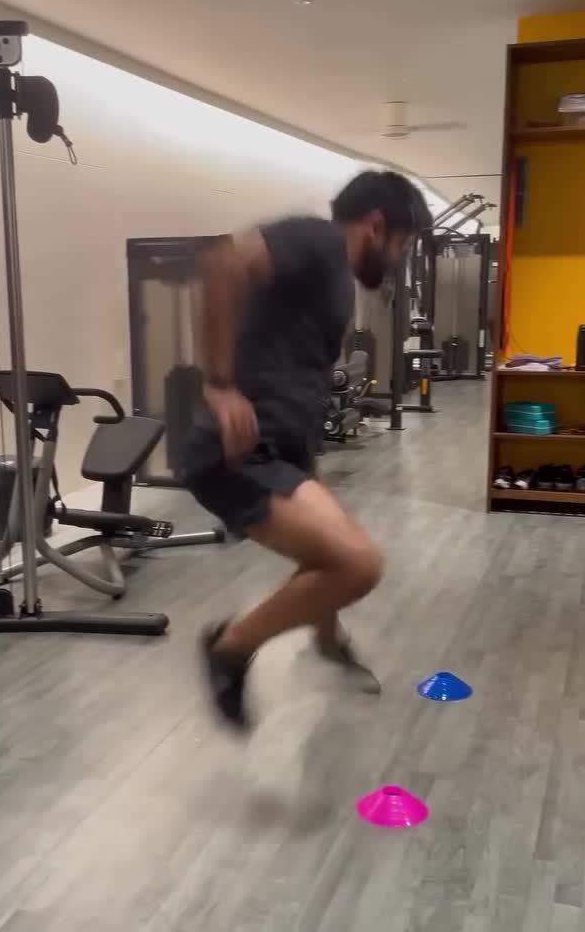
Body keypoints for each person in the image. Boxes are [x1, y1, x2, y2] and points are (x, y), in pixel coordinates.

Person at [182, 170, 432, 731]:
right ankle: (231, 647)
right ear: (376, 226)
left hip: (281, 451)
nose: (399, 259)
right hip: (237, 452)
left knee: (338, 546)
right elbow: (222, 264)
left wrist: (309, 470)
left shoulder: (333, 275)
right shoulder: (317, 240)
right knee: (359, 565)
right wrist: (219, 384)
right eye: (403, 244)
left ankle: (326, 639)